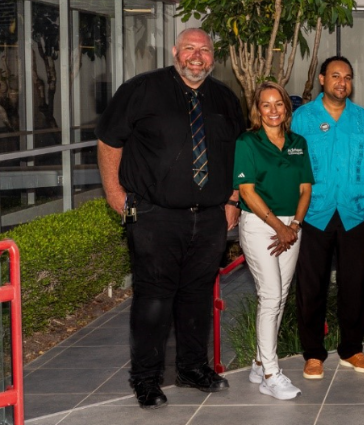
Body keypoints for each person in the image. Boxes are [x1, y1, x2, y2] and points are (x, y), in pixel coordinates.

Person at [95, 28, 243, 409]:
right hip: (154, 216)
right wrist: (115, 193)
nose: (197, 56)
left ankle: (192, 369)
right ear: (176, 51)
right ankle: (145, 379)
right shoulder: (140, 90)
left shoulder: (225, 99)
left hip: (210, 218)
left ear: (214, 56)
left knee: (197, 298)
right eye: (190, 49)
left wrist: (232, 198)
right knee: (154, 301)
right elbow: (110, 140)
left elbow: (237, 156)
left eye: (205, 50)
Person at [291, 55, 364, 377]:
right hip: (314, 213)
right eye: (335, 76)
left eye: (347, 77)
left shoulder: (363, 120)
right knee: (311, 285)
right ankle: (313, 353)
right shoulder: (302, 119)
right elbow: (290, 167)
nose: (341, 82)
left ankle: (352, 349)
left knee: (353, 284)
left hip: (355, 213)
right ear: (322, 79)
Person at [234, 81, 313, 400]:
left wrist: (293, 224)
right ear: (257, 109)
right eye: (265, 105)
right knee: (269, 294)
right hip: (258, 224)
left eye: (278, 103)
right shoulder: (247, 142)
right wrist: (278, 227)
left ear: (286, 107)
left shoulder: (298, 142)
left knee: (280, 295)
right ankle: (270, 372)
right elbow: (247, 191)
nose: (273, 110)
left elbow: (306, 188)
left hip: (291, 226)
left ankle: (257, 362)